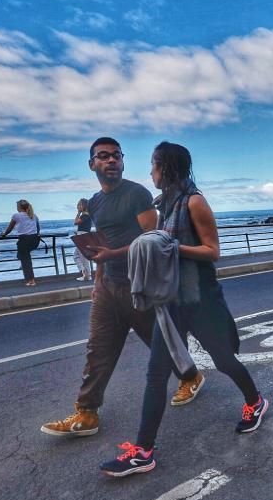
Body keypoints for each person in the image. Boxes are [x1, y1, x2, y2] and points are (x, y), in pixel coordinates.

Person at [99, 141, 268, 478]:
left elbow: (212, 250)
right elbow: (156, 246)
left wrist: (169, 245)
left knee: (223, 361)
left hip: (201, 301)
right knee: (156, 373)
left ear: (168, 168)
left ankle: (256, 402)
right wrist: (120, 252)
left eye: (154, 165)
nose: (150, 172)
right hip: (171, 301)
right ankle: (142, 452)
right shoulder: (165, 206)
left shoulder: (194, 202)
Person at [41, 137, 204, 438]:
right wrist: (98, 276)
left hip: (138, 284)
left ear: (123, 161)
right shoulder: (94, 202)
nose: (111, 160)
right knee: (97, 349)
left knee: (160, 341)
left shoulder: (136, 194)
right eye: (103, 156)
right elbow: (104, 239)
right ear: (92, 164)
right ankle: (86, 412)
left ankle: (191, 376)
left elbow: (153, 241)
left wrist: (112, 256)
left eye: (116, 155)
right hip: (108, 286)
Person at [0, 199, 40, 286]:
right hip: (34, 240)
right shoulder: (34, 215)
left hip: (24, 240)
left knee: (26, 261)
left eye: (17, 206)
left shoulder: (16, 216)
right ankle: (22, 261)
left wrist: (4, 234)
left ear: (19, 207)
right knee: (25, 258)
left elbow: (10, 228)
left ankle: (31, 281)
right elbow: (38, 228)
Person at [73, 198, 93, 281]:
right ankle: (84, 272)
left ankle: (87, 275)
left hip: (83, 236)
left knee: (82, 256)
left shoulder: (85, 215)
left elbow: (76, 222)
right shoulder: (85, 215)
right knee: (76, 256)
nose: (78, 206)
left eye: (79, 205)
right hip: (81, 235)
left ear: (84, 205)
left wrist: (78, 213)